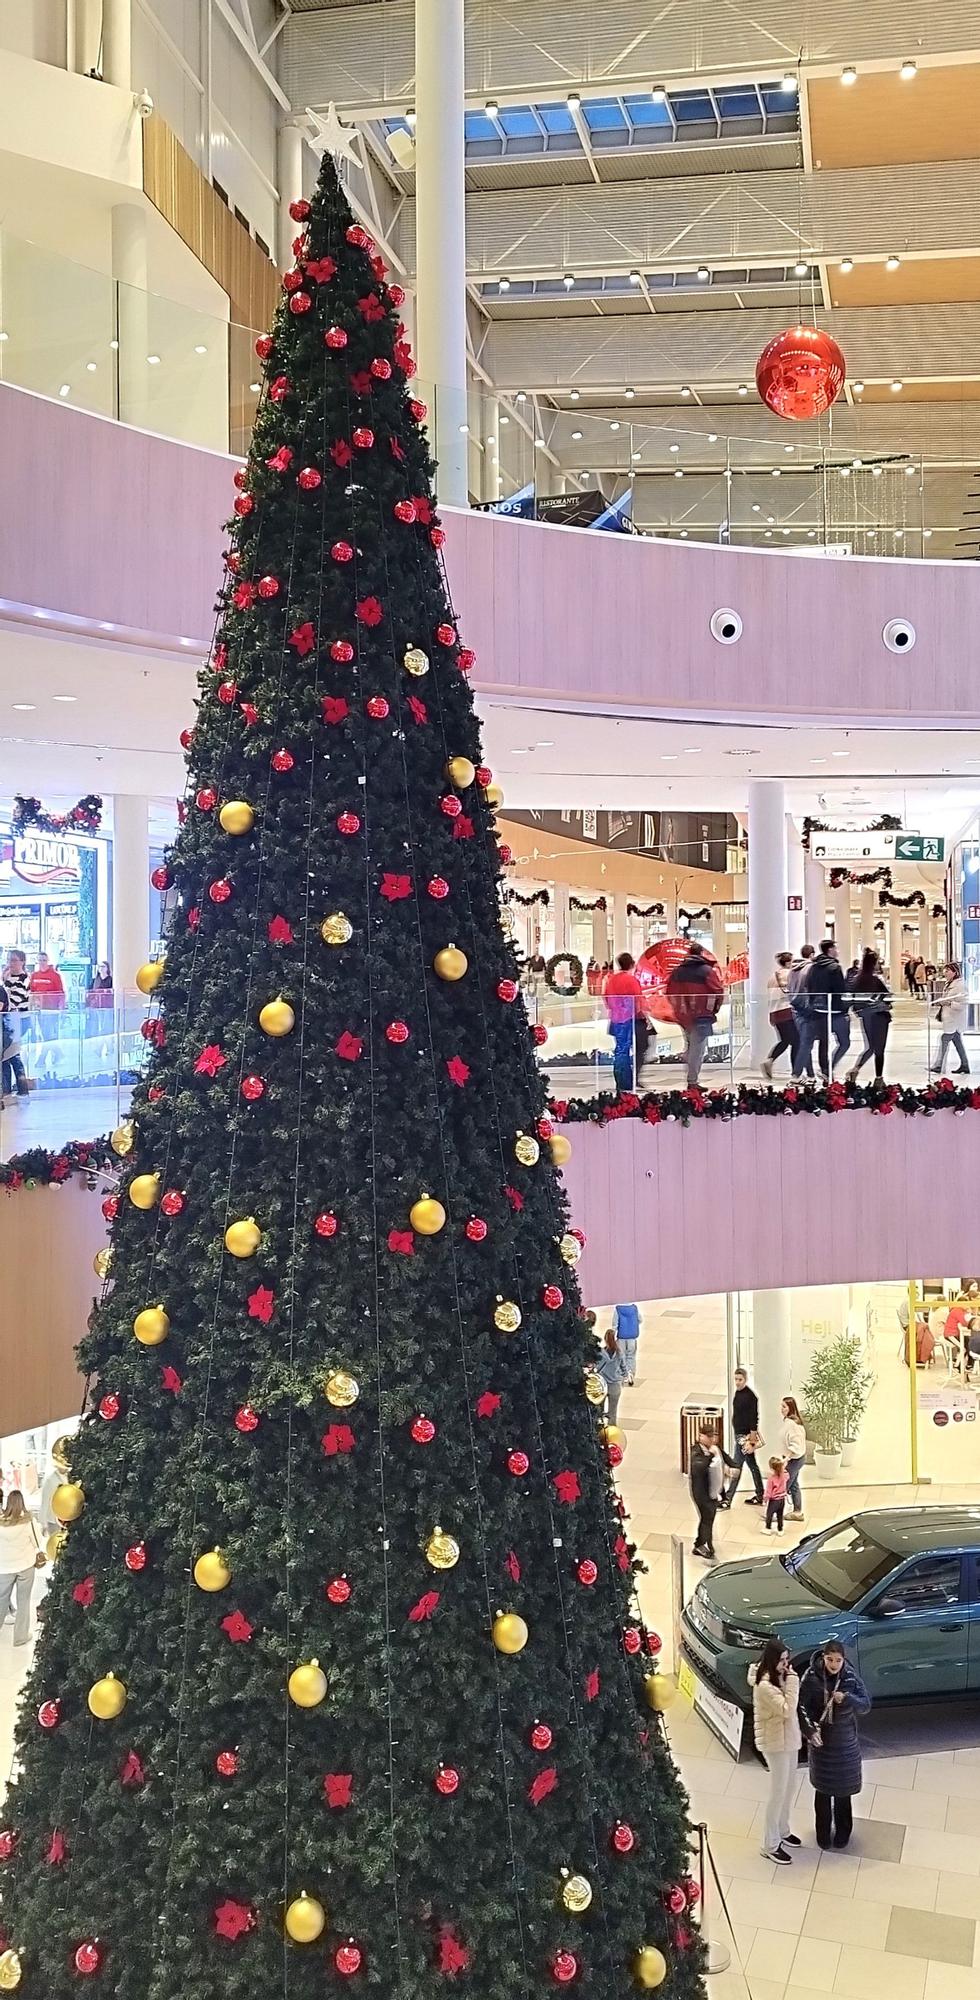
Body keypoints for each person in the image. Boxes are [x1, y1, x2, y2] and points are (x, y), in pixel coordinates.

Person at [799, 1638, 871, 1849]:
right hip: (822, 1744)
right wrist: (809, 1730)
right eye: (830, 1659)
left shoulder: (850, 1677)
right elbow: (801, 1706)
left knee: (843, 1792)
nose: (833, 1664)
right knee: (822, 1791)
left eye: (838, 1660)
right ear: (823, 1657)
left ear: (843, 1660)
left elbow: (865, 1705)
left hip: (845, 1743)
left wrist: (847, 1698)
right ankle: (822, 1834)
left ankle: (843, 1833)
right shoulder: (812, 1677)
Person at [748, 1638, 802, 1865]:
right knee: (777, 1792)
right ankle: (769, 1844)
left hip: (788, 1740)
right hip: (774, 1743)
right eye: (782, 1660)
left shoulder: (779, 1677)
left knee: (790, 1787)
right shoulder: (764, 1686)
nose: (786, 1665)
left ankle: (782, 1828)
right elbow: (787, 1709)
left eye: (787, 1660)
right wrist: (793, 1681)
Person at [666, 941, 724, 1087]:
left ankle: (692, 1079)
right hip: (702, 1015)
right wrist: (714, 1009)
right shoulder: (707, 970)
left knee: (691, 1046)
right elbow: (718, 991)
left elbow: (669, 992)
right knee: (697, 1050)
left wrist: (678, 1009)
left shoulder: (677, 971)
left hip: (683, 1015)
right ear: (701, 953)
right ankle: (692, 1081)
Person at [0, 1490, 43, 1647]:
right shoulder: (28, 1522)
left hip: (4, 1568)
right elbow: (38, 1541)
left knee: (1, 1601)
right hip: (25, 1566)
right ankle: (20, 1637)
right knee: (23, 1601)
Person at [803, 939, 849, 1081]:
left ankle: (825, 1069)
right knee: (844, 1042)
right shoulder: (835, 967)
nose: (837, 951)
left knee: (824, 1041)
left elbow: (808, 986)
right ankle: (829, 1068)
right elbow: (840, 990)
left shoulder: (813, 967)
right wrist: (845, 1008)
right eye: (836, 949)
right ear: (830, 950)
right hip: (834, 1010)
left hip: (817, 1009)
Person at [845, 948, 892, 1082]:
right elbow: (887, 997)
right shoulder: (875, 980)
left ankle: (856, 1069)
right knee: (879, 1049)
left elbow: (852, 999)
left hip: (865, 1016)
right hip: (879, 1016)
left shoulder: (856, 980)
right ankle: (879, 1077)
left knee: (871, 1046)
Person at [604, 952, 644, 1094]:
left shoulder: (612, 980)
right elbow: (638, 1000)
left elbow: (607, 999)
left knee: (620, 1050)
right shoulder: (631, 980)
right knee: (624, 1050)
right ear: (631, 964)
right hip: (627, 1019)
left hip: (616, 1019)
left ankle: (622, 1080)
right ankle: (625, 1081)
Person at [725, 1367, 764, 1505]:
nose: (737, 1382)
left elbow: (754, 1418)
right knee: (752, 1465)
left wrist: (752, 1440)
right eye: (736, 1379)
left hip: (744, 1437)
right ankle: (760, 1494)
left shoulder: (750, 1397)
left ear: (746, 1380)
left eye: (740, 1380)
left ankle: (728, 1499)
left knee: (737, 1465)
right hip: (740, 1434)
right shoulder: (738, 1393)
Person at [689, 1425, 724, 1561]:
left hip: (711, 1492)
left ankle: (705, 1543)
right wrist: (711, 1456)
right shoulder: (696, 1451)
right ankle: (703, 1544)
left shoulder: (711, 1450)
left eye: (712, 1436)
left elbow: (723, 1458)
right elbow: (698, 1467)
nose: (711, 1439)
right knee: (707, 1519)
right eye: (708, 1436)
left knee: (708, 1518)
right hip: (701, 1493)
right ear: (701, 1436)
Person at [762, 951, 797, 1080]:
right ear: (788, 962)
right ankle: (795, 1072)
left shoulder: (772, 977)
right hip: (787, 1011)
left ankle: (770, 1060)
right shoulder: (790, 975)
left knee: (786, 1040)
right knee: (796, 1042)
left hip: (774, 1013)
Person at [932, 961, 970, 1076]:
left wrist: (948, 1003)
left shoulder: (960, 985)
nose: (945, 972)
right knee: (957, 1041)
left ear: (955, 972)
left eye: (948, 970)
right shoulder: (950, 984)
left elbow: (963, 1003)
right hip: (950, 1018)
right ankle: (964, 1065)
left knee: (944, 1039)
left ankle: (939, 1065)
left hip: (955, 1019)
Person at [787, 944, 816, 1080]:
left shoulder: (792, 970)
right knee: (807, 1041)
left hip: (795, 1007)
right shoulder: (810, 968)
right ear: (811, 955)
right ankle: (796, 1073)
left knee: (805, 1040)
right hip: (806, 1008)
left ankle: (810, 1074)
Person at [0, 984, 30, 1106]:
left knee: (13, 1059)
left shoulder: (1, 990)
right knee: (6, 1062)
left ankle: (22, 1091)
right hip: (7, 1029)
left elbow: (1, 1006)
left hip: (7, 1030)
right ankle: (6, 1092)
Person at [779, 1396, 806, 1521]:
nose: (781, 1409)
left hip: (794, 1460)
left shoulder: (792, 1424)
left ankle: (775, 1513)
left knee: (782, 1486)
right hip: (796, 1459)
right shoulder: (790, 1421)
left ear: (790, 1408)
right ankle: (797, 1511)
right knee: (793, 1484)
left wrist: (786, 1459)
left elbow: (795, 1444)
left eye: (784, 1406)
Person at [596, 1326, 630, 1427]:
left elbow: (596, 1366)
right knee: (613, 1411)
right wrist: (625, 1376)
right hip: (615, 1385)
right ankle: (612, 1431)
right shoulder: (619, 1353)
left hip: (602, 1384)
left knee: (599, 1410)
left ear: (605, 1339)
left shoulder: (600, 1353)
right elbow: (623, 1367)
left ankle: (600, 1427)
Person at [612, 1302, 641, 1384]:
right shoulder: (634, 1308)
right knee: (631, 1356)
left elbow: (614, 1324)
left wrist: (612, 1337)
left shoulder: (617, 1309)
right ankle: (631, 1372)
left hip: (621, 1337)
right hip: (632, 1337)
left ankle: (624, 1375)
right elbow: (640, 1319)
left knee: (621, 1356)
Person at [763, 1456, 789, 1533]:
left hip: (774, 1500)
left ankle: (768, 1528)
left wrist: (765, 1499)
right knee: (780, 1515)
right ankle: (780, 1530)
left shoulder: (771, 1479)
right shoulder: (784, 1476)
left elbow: (768, 1491)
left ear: (771, 1468)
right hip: (782, 1500)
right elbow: (788, 1475)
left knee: (769, 1514)